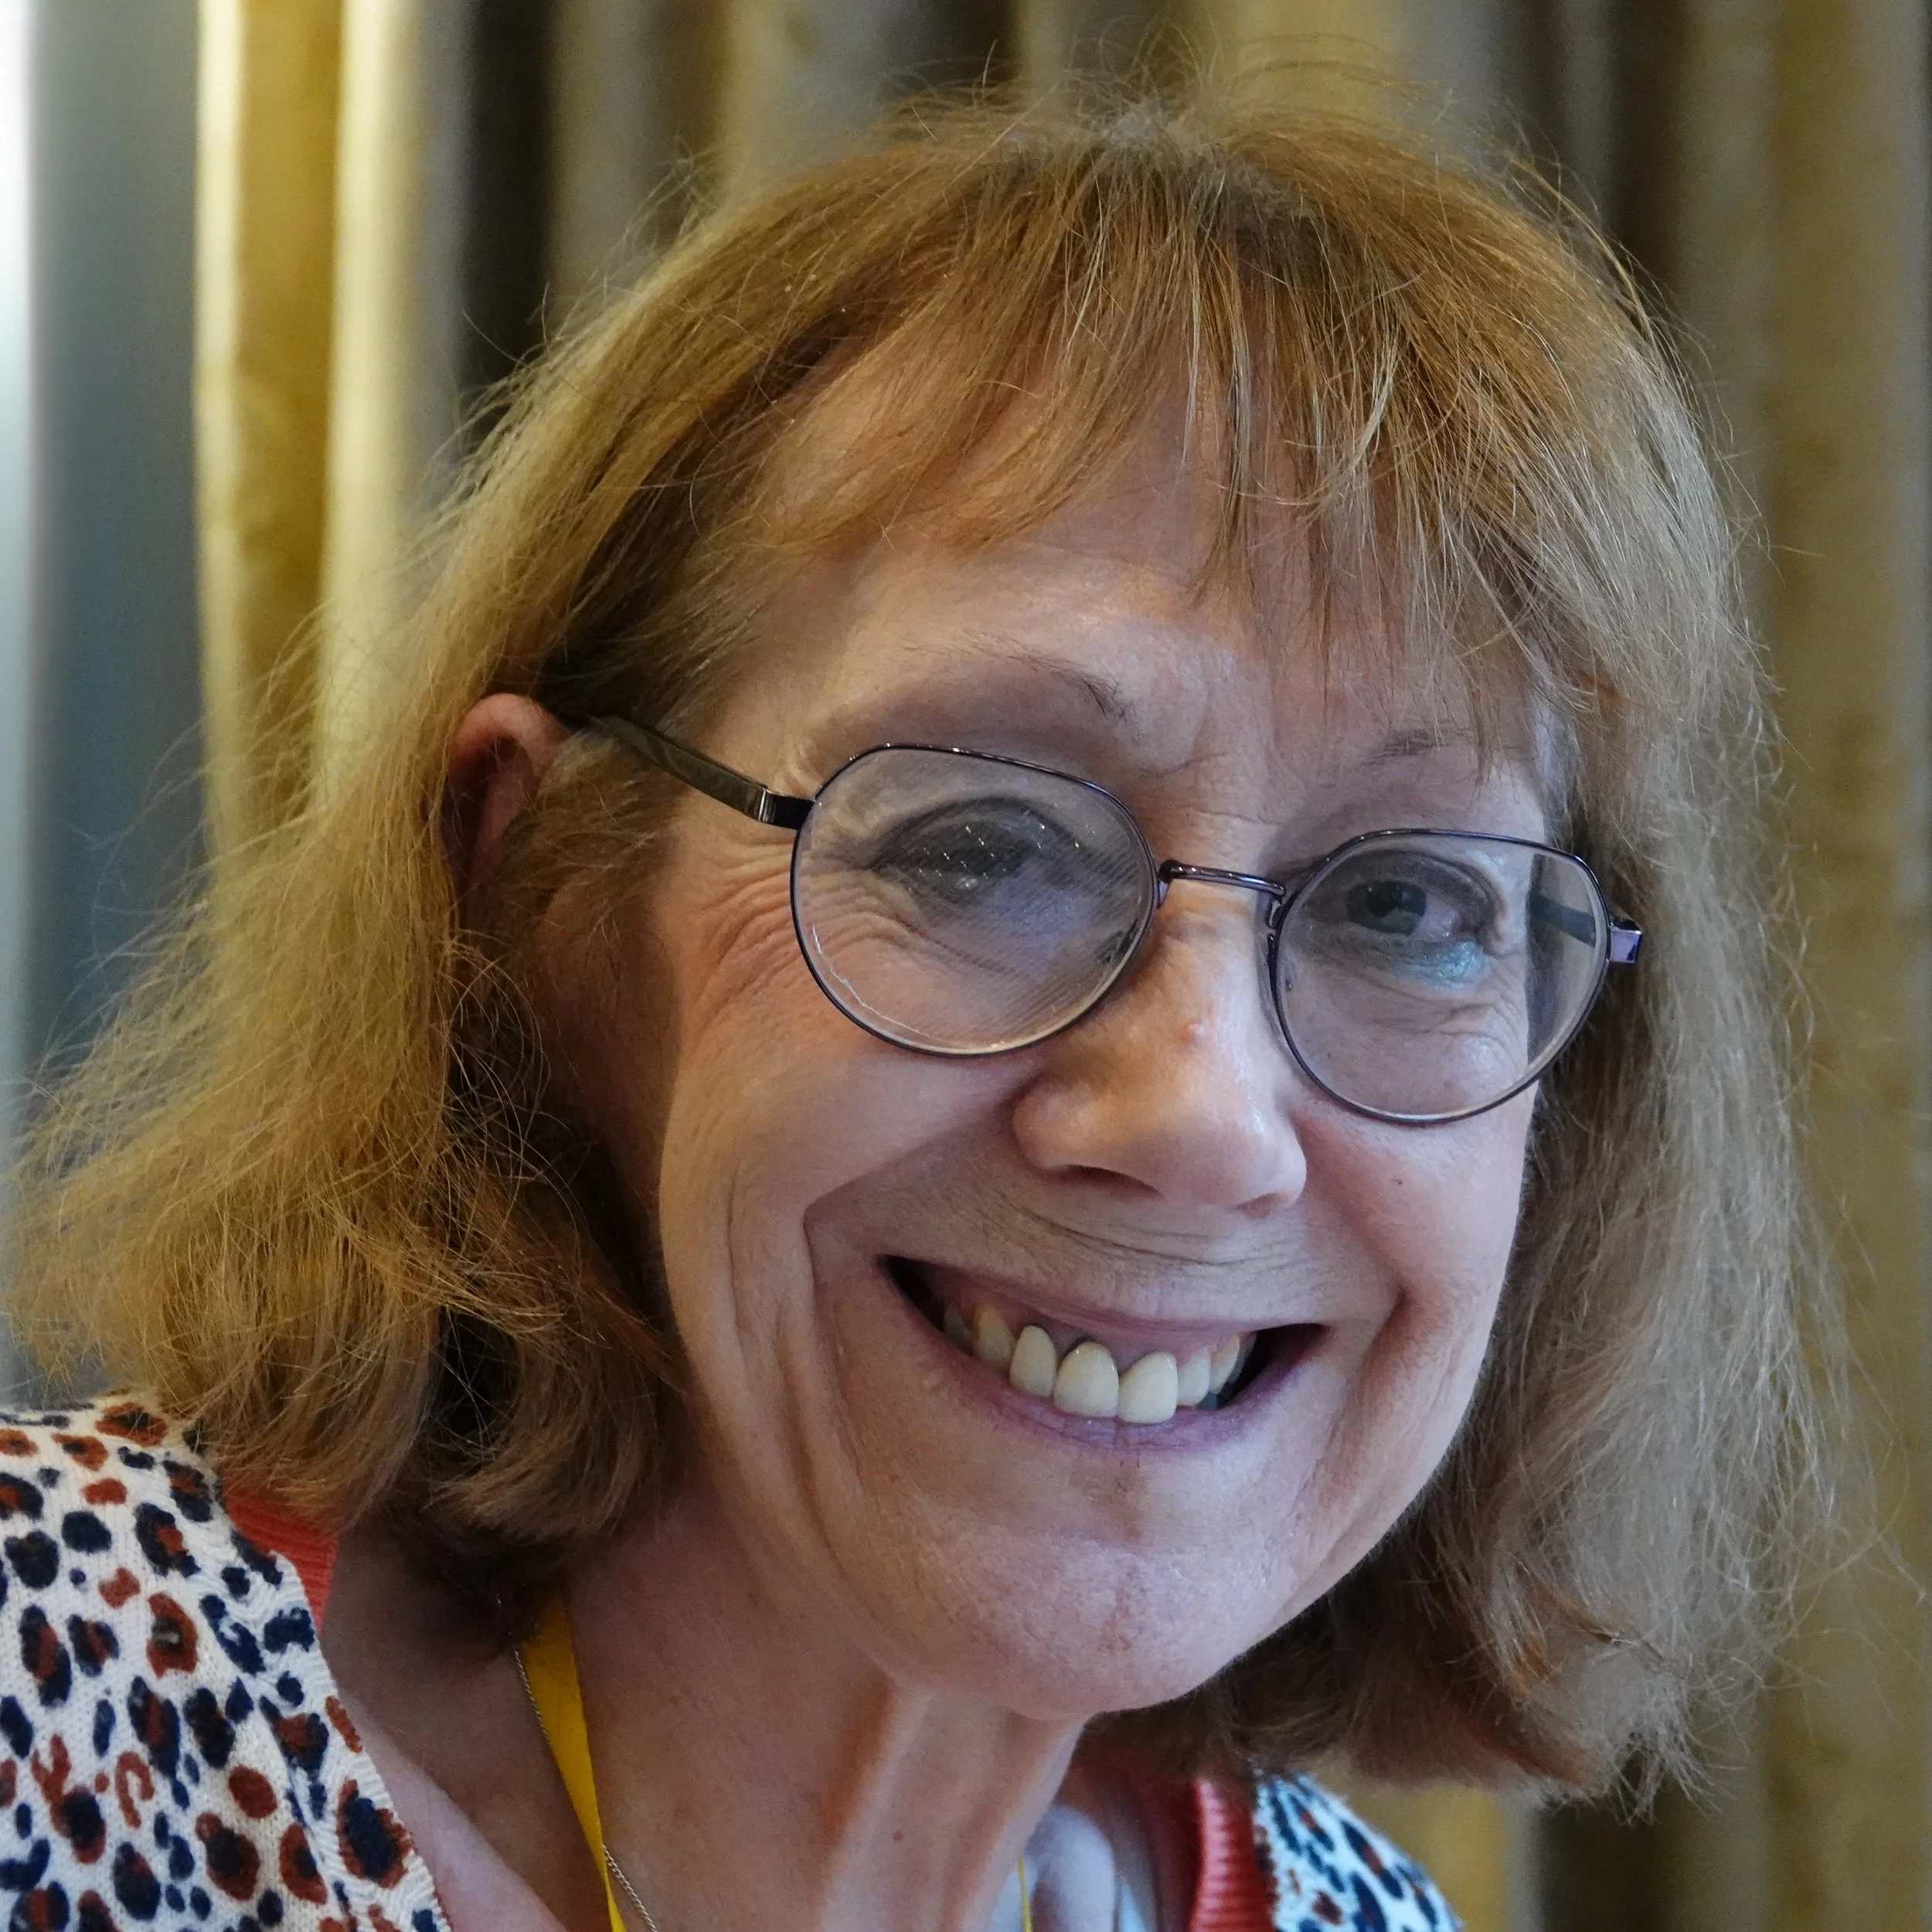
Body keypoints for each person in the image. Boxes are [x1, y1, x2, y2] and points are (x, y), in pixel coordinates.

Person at [0, 88, 1818, 1932]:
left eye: (1405, 901)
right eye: (979, 847)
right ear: (535, 902)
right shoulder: (48, 1717)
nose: (1201, 1111)